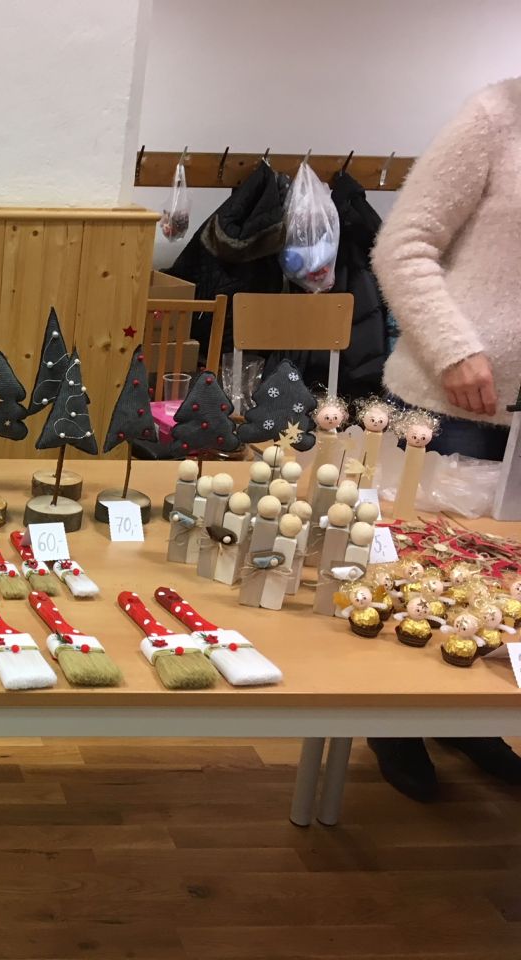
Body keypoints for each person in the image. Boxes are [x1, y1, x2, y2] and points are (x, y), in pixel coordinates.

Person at [368, 77, 521, 801]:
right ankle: (391, 717)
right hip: (449, 400)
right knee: (416, 571)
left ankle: (470, 717)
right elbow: (402, 245)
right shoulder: (496, 116)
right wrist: (455, 347)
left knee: (504, 585)